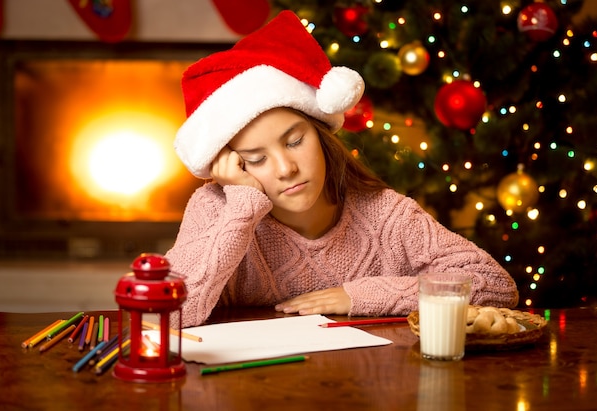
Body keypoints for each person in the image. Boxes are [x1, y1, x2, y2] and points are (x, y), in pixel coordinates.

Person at [167, 10, 518, 328]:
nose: (286, 169)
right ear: (233, 165)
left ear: (320, 134)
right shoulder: (218, 208)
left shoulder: (385, 215)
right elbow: (168, 315)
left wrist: (365, 294)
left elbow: (496, 286)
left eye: (294, 142)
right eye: (257, 159)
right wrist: (241, 206)